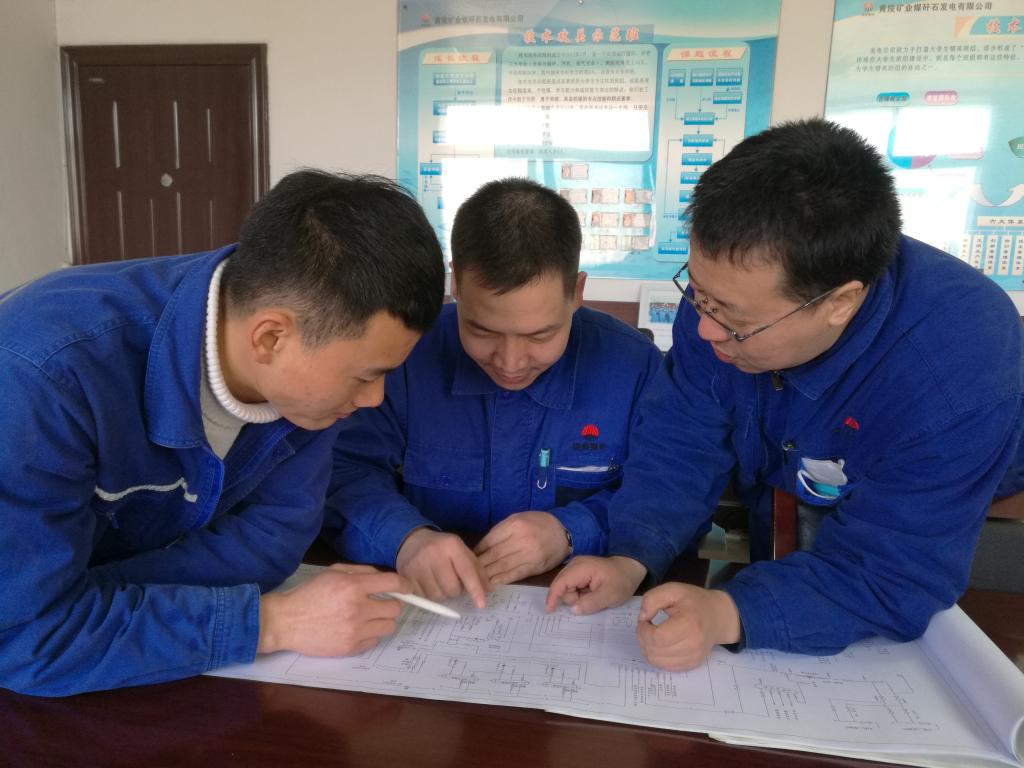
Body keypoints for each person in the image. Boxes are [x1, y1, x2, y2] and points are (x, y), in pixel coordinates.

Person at [545, 118, 1024, 671]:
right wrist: (632, 556)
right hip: (789, 481)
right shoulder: (723, 298)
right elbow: (682, 438)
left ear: (839, 303)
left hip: (940, 508)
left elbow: (893, 570)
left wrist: (730, 612)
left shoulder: (959, 368)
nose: (704, 329)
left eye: (733, 321)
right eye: (697, 294)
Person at [0, 169, 445, 696]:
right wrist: (265, 623)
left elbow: (273, 539)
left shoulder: (306, 384)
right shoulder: (43, 378)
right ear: (271, 337)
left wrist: (92, 610)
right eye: (366, 375)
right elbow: (27, 639)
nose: (374, 398)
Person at [323, 178, 662, 607]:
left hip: (571, 610)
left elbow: (667, 494)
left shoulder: (634, 368)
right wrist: (407, 539)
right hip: (436, 606)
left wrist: (572, 530)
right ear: (456, 287)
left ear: (576, 292)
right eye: (482, 331)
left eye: (539, 335)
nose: (510, 362)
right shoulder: (405, 357)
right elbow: (342, 471)